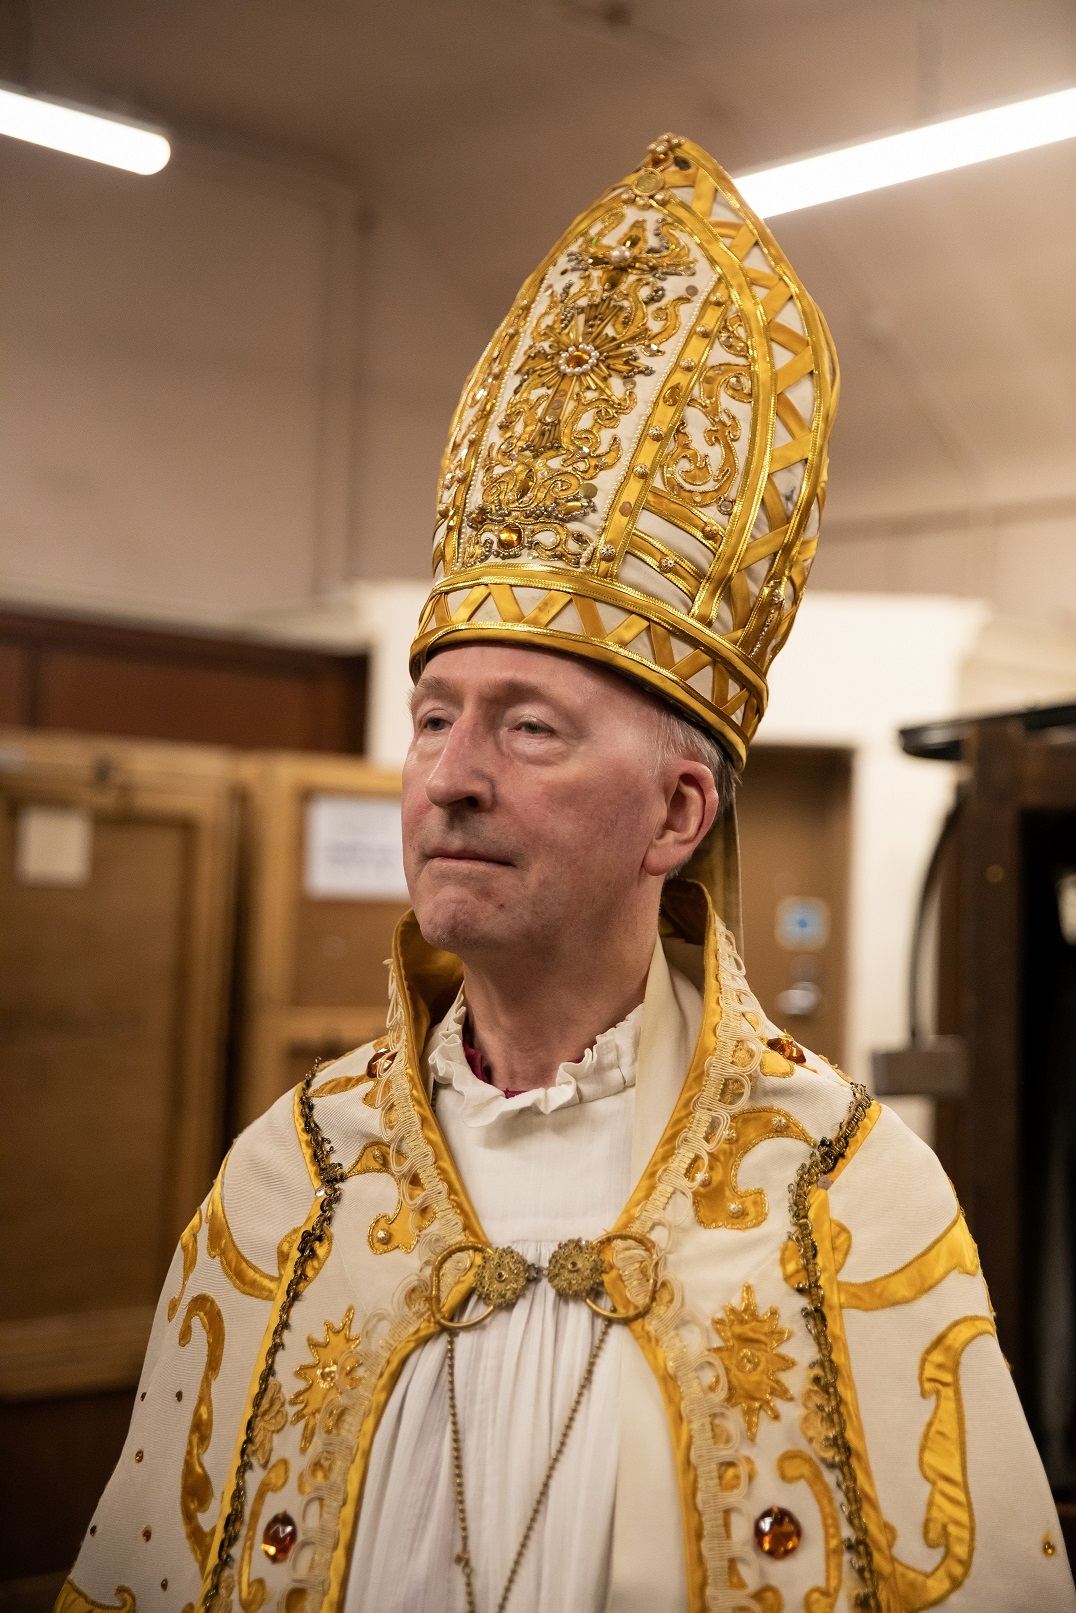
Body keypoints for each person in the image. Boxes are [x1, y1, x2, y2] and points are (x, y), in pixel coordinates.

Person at [59, 133, 1072, 1613]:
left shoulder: (845, 1205)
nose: (452, 773)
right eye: (433, 717)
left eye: (530, 726)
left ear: (675, 815)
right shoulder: (293, 1181)